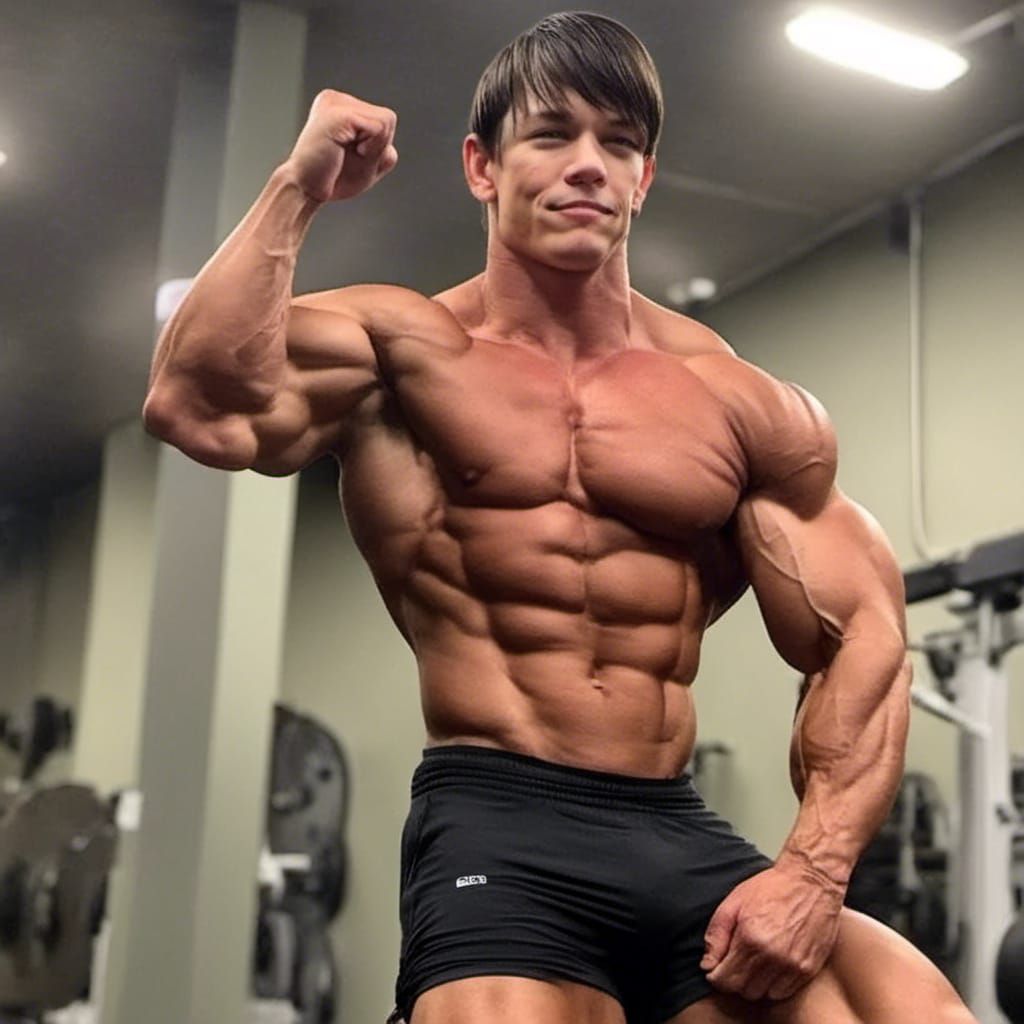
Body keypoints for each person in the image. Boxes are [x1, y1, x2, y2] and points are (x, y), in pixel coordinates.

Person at [143, 11, 977, 1024]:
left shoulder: (729, 397)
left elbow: (864, 637)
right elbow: (198, 403)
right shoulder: (399, 351)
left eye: (617, 143)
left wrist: (811, 871)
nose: (588, 164)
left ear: (643, 178)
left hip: (673, 827)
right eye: (551, 135)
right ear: (482, 167)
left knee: (912, 1009)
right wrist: (298, 186)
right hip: (497, 824)